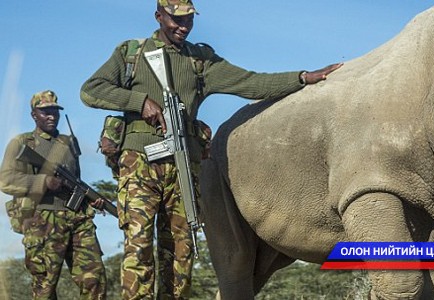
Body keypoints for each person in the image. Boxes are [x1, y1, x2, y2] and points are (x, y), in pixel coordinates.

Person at [80, 0, 342, 298]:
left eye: (189, 20)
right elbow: (91, 90)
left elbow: (251, 82)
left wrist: (302, 78)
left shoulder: (200, 60)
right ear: (158, 16)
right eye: (175, 20)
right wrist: (138, 102)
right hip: (139, 162)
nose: (183, 27)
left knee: (181, 249)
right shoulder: (131, 53)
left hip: (185, 166)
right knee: (138, 245)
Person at [0, 90, 107, 299]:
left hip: (78, 218)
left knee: (94, 280)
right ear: (34, 115)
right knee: (45, 286)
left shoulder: (68, 143)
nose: (52, 116)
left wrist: (92, 199)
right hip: (43, 220)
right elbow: (6, 180)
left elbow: (75, 181)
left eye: (55, 111)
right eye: (45, 111)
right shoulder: (22, 142)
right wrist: (43, 182)